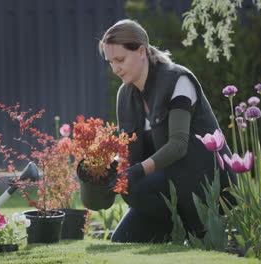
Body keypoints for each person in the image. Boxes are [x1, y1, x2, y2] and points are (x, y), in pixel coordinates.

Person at [98, 19, 237, 243]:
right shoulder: (125, 96)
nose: (115, 69)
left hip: (203, 187)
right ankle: (173, 231)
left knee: (137, 186)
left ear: (141, 51)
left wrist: (136, 172)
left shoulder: (178, 80)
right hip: (163, 185)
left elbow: (178, 145)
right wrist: (108, 170)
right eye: (110, 62)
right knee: (122, 242)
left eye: (120, 60)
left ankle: (193, 231)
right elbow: (126, 151)